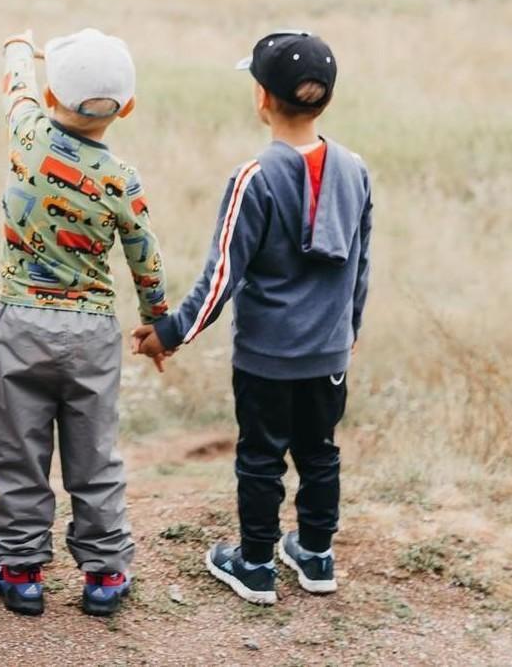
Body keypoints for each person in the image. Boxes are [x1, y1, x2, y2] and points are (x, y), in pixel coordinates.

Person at [136, 30, 373, 606]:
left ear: (262, 98)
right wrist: (350, 333)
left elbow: (223, 277)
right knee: (320, 452)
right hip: (328, 355)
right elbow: (361, 264)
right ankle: (316, 556)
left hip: (267, 358)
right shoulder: (356, 170)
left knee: (261, 458)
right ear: (327, 100)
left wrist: (169, 331)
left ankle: (258, 563)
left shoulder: (254, 178)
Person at [0, 29, 166, 618]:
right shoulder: (120, 178)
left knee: (17, 451)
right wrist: (157, 323)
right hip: (91, 332)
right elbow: (145, 255)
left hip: (22, 324)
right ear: (128, 107)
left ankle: (20, 569)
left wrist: (19, 47)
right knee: (95, 456)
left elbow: (17, 87)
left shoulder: (28, 134)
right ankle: (105, 573)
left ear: (52, 90)